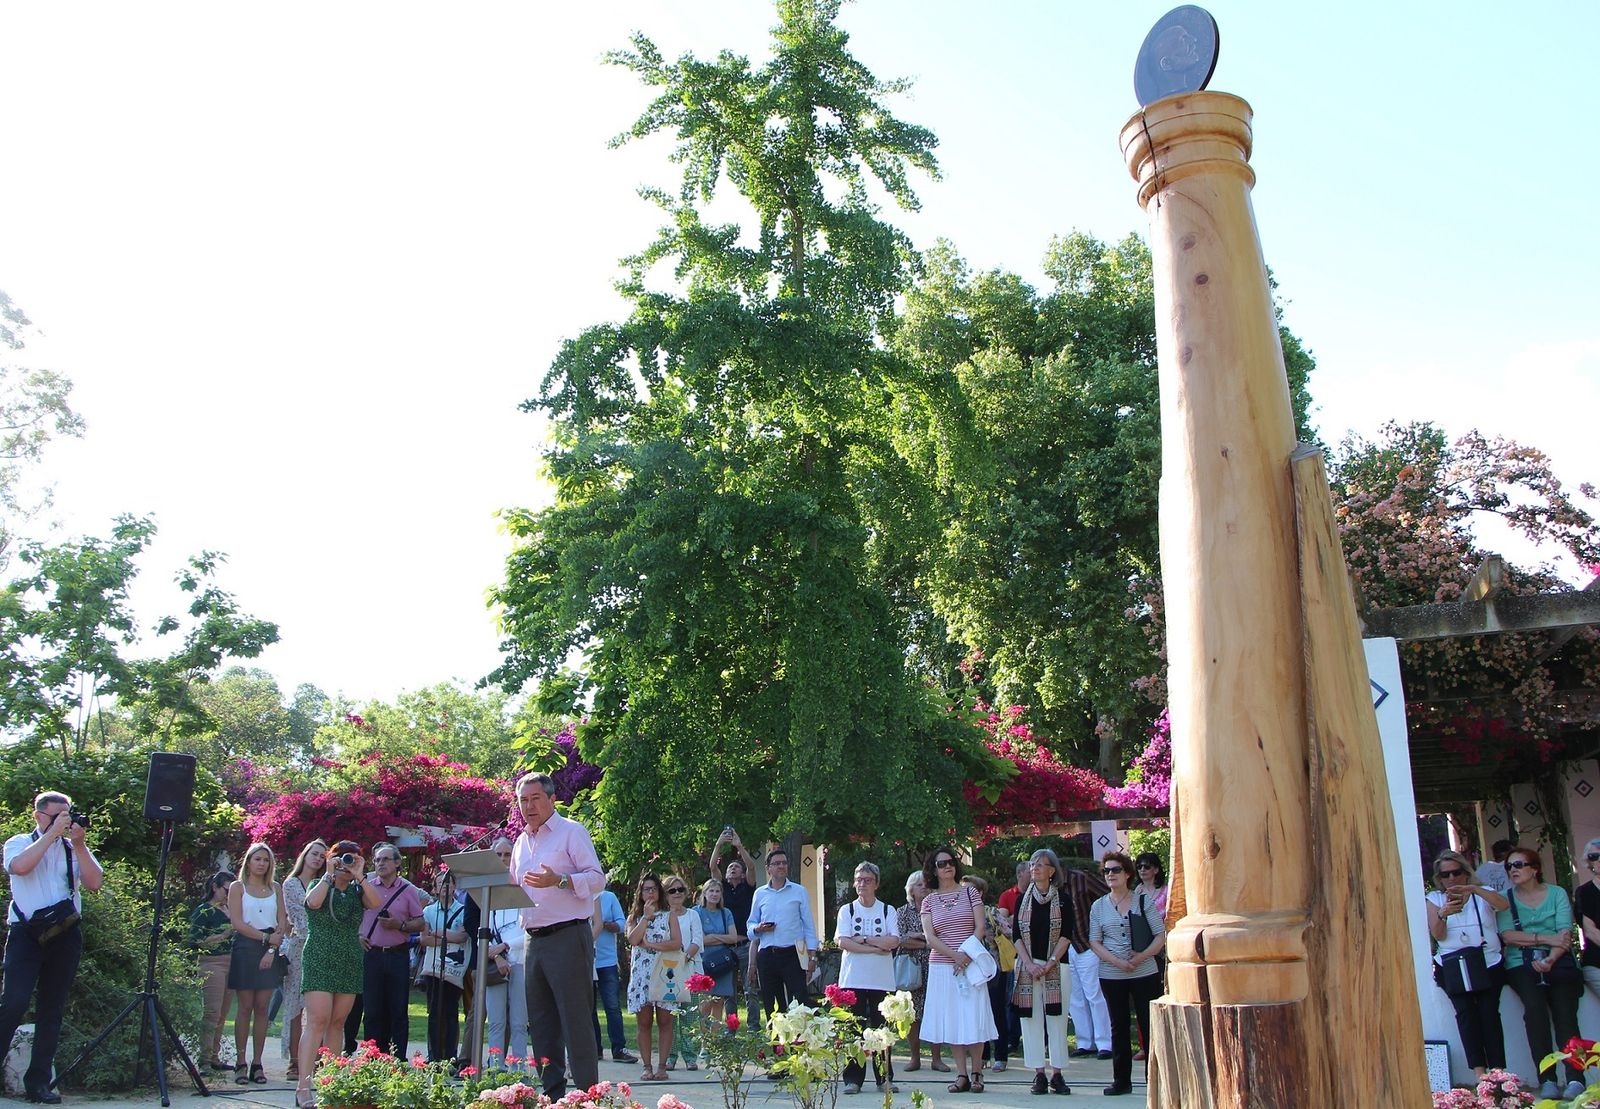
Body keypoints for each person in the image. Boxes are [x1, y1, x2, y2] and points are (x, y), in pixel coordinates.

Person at [0, 791, 103, 1105]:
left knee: (52, 1009)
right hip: (25, 935)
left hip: (65, 935)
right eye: (56, 815)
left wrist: (80, 843)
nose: (63, 820)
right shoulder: (19, 842)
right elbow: (19, 867)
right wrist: (50, 836)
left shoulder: (72, 848)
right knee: (13, 1003)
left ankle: (39, 1084)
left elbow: (95, 882)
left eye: (66, 814)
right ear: (38, 815)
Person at [509, 771, 605, 1099]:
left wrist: (560, 881)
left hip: (568, 937)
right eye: (523, 800)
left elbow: (596, 879)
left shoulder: (571, 832)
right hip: (533, 940)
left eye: (535, 798)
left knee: (575, 1021)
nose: (529, 806)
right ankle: (552, 1097)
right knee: (542, 1023)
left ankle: (586, 1098)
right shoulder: (521, 842)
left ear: (551, 800)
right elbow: (513, 888)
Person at [294, 841, 381, 1109]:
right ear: (331, 859)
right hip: (320, 956)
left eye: (353, 858)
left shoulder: (358, 890)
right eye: (343, 858)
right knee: (317, 1021)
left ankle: (330, 1084)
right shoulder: (318, 884)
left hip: (348, 959)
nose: (348, 862)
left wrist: (360, 874)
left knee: (338, 1022)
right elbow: (314, 902)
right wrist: (330, 874)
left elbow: (376, 903)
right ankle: (303, 1087)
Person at [1497, 845, 1585, 1101]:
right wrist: (1545, 940)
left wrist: (1550, 957)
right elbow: (1509, 936)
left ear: (1534, 869)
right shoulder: (1506, 897)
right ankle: (1547, 1078)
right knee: (1535, 1014)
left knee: (1566, 1018)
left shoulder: (1556, 893)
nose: (1512, 870)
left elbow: (1565, 934)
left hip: (1559, 962)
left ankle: (1576, 1078)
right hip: (1521, 965)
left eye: (1518, 865)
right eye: (1509, 866)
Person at [1426, 849, 1509, 1082]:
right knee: (1466, 1016)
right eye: (1445, 875)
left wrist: (1473, 889)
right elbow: (1438, 935)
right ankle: (1480, 1073)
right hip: (1452, 966)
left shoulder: (1484, 893)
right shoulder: (1435, 899)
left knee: (1489, 1014)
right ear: (1439, 878)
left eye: (1456, 873)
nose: (1452, 879)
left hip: (1487, 962)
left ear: (1466, 872)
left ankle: (1499, 1074)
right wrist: (1443, 914)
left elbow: (1503, 905)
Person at [920, 846, 997, 1094]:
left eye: (950, 862)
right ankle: (961, 1074)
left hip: (971, 963)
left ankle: (977, 1072)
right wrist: (954, 956)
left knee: (974, 1017)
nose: (947, 866)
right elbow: (930, 938)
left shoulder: (970, 893)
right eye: (941, 864)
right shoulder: (929, 901)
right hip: (943, 967)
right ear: (933, 869)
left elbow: (980, 927)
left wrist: (965, 954)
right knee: (953, 1020)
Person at [1088, 850, 1164, 1097]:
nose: (1110, 874)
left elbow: (1160, 936)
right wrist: (1117, 962)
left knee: (1149, 1025)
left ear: (1128, 874)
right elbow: (1095, 941)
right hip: (1112, 973)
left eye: (1116, 869)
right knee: (1118, 1026)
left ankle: (1155, 1080)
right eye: (1107, 870)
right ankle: (1121, 1080)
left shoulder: (1143, 900)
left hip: (1145, 971)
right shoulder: (1098, 906)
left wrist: (1141, 957)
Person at [835, 861, 900, 1096]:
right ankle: (853, 1079)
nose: (862, 884)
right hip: (853, 979)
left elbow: (893, 942)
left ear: (877, 884)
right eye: (859, 879)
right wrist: (874, 945)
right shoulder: (847, 910)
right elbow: (842, 941)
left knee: (882, 1032)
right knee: (854, 1031)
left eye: (868, 880)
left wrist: (861, 940)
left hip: (882, 981)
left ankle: (885, 1078)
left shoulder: (887, 910)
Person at [1011, 849, 1073, 1095]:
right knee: (1031, 1020)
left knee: (1057, 1020)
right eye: (1032, 864)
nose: (1034, 868)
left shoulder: (1064, 899)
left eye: (1040, 865)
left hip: (1056, 966)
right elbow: (1016, 935)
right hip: (1028, 967)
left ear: (1051, 871)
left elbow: (1067, 934)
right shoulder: (1021, 899)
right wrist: (1029, 963)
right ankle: (1038, 1073)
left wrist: (1049, 964)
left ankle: (1057, 1073)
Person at [228, 842, 288, 1086]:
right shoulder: (237, 887)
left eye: (266, 860)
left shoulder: (276, 888)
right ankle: (241, 1062)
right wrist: (264, 938)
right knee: (245, 1007)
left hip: (270, 948)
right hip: (245, 947)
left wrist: (272, 948)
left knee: (263, 1006)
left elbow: (282, 922)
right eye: (257, 859)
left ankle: (257, 1063)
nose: (262, 863)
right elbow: (238, 923)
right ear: (249, 861)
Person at [359, 841, 426, 1056]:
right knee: (371, 1011)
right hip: (372, 955)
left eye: (386, 859)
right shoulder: (365, 886)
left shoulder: (408, 890)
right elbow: (353, 918)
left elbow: (420, 923)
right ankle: (372, 1060)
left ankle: (397, 1059)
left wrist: (400, 925)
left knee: (398, 1010)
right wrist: (358, 935)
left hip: (398, 955)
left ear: (398, 863)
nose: (380, 863)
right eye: (377, 860)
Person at [747, 847, 819, 1018]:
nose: (781, 866)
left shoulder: (799, 891)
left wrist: (812, 956)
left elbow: (809, 926)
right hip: (767, 955)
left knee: (799, 1002)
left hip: (793, 954)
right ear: (768, 868)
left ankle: (798, 1043)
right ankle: (776, 1044)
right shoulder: (760, 893)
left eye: (784, 863)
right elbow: (750, 926)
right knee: (772, 1005)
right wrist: (758, 928)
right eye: (777, 863)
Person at [280, 839, 327, 1083]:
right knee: (297, 1006)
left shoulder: (325, 883)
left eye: (322, 856)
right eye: (314, 854)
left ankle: (317, 1059)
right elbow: (306, 912)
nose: (318, 859)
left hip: (323, 948)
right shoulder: (291, 883)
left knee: (317, 1006)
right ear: (305, 854)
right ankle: (295, 1061)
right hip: (300, 946)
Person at [484, 837, 530, 1066]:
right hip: (496, 964)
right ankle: (495, 1069)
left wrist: (506, 947)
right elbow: (484, 932)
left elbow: (531, 930)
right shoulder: (487, 891)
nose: (503, 859)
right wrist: (499, 956)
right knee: (496, 1021)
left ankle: (519, 1069)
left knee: (520, 1022)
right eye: (498, 855)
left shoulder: (525, 887)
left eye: (507, 854)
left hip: (520, 961)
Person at [626, 873, 676, 1081]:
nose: (650, 892)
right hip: (641, 976)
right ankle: (647, 1066)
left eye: (654, 888)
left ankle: (662, 1066)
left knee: (665, 1021)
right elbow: (633, 939)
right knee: (644, 1022)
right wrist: (646, 918)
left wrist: (651, 946)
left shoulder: (669, 915)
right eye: (646, 889)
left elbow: (676, 943)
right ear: (640, 892)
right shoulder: (635, 917)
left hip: (665, 974)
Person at [419, 869, 470, 1063]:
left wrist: (439, 933)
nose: (445, 886)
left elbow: (463, 937)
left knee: (450, 1012)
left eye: (449, 883)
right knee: (433, 1011)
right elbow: (424, 939)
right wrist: (448, 937)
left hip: (453, 969)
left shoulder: (463, 910)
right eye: (441, 883)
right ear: (435, 887)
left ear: (455, 887)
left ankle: (450, 1055)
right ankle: (433, 1055)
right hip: (432, 968)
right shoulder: (428, 911)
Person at [709, 829, 758, 1029]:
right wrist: (719, 845)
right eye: (730, 867)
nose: (732, 869)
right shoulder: (722, 888)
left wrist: (738, 845)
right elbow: (712, 866)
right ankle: (732, 1028)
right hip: (726, 946)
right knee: (728, 992)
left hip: (746, 945)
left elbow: (752, 867)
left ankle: (754, 1027)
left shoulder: (748, 886)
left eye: (736, 867)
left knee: (750, 989)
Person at [897, 870, 945, 1072]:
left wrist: (920, 938)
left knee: (934, 1012)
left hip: (936, 965)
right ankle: (914, 1057)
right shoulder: (901, 912)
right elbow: (901, 940)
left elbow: (942, 936)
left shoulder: (939, 909)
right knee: (912, 1014)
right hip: (911, 968)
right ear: (911, 890)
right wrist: (926, 941)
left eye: (926, 884)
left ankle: (937, 1058)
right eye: (919, 885)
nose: (924, 887)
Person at [189, 870, 237, 1073]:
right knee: (212, 1011)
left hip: (233, 962)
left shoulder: (232, 909)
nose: (229, 894)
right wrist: (223, 935)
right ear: (214, 887)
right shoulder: (204, 911)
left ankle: (214, 1057)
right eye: (226, 890)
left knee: (223, 1013)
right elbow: (195, 941)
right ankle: (204, 1059)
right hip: (212, 962)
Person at [963, 875, 1011, 1075]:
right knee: (975, 1013)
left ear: (980, 893)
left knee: (996, 1011)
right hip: (968, 970)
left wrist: (996, 933)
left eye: (970, 890)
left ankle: (1000, 1056)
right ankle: (981, 1056)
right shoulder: (961, 915)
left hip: (993, 969)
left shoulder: (991, 912)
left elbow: (1009, 932)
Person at [1064, 862, 1111, 1060]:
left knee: (1095, 994)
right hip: (1066, 947)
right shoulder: (1046, 887)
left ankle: (1105, 1043)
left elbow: (1107, 897)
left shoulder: (1080, 878)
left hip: (1088, 943)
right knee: (1075, 998)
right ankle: (1085, 1042)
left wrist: (1100, 931)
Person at [662, 875, 704, 1071]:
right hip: (667, 972)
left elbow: (697, 940)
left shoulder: (693, 915)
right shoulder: (662, 916)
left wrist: (684, 958)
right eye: (672, 890)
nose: (677, 893)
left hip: (691, 969)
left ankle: (690, 1056)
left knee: (689, 1015)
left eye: (680, 889)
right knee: (668, 1016)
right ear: (666, 894)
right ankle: (669, 1056)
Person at [591, 881, 636, 1063]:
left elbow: (622, 924)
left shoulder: (608, 897)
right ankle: (595, 1049)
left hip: (607, 961)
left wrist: (608, 925)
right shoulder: (578, 897)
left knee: (612, 1006)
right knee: (589, 1008)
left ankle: (619, 1048)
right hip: (586, 961)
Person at [695, 879, 740, 1036]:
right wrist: (721, 937)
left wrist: (712, 936)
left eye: (717, 891)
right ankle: (703, 1041)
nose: (714, 894)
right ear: (705, 893)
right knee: (705, 1002)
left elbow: (734, 938)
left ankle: (714, 1040)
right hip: (704, 962)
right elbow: (699, 939)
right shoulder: (696, 912)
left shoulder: (725, 913)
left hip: (723, 963)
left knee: (718, 1001)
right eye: (711, 891)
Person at [996, 860, 1029, 1060]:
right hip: (1013, 954)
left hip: (1037, 952)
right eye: (1030, 870)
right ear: (1020, 874)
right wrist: (1022, 916)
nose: (1034, 873)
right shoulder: (1008, 896)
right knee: (1011, 999)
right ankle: (1011, 1040)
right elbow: (1001, 922)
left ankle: (1041, 1042)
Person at [1575, 837, 1600, 1010]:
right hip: (1597, 963)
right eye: (1594, 856)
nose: (1599, 860)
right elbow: (1591, 931)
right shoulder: (1585, 892)